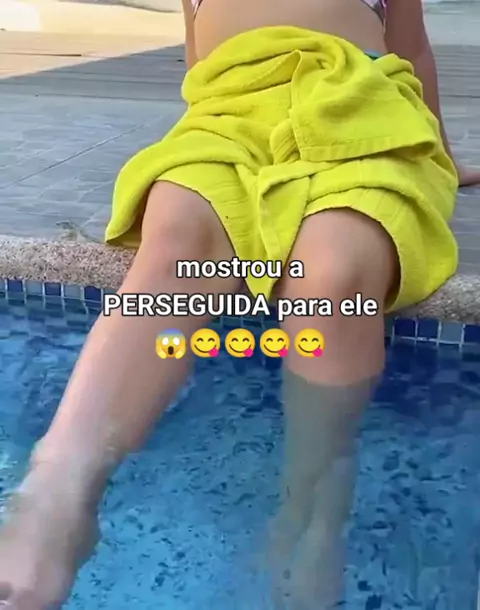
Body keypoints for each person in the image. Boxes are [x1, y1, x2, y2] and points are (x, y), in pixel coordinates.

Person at [0, 0, 477, 608]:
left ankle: (313, 510)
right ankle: (58, 488)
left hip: (360, 103)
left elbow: (413, 50)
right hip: (231, 112)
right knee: (180, 236)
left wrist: (441, 154)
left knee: (330, 276)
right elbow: (202, 67)